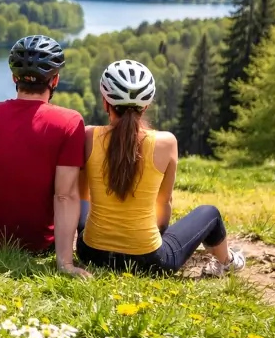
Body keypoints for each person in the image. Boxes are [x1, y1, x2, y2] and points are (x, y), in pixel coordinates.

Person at [76, 59, 245, 277]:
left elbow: (82, 196)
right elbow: (164, 203)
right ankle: (228, 261)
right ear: (146, 105)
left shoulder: (88, 135)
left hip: (92, 254)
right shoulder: (166, 143)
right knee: (209, 213)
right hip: (150, 261)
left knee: (81, 201)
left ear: (104, 102)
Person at [0, 35, 90, 277]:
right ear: (55, 80)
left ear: (14, 78)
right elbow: (64, 196)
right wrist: (65, 263)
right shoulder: (70, 122)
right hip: (41, 244)